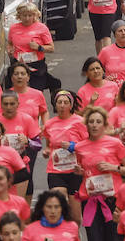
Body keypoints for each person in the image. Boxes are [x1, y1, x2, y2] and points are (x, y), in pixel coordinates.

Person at [76, 106, 125, 241]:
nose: (94, 125)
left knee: (113, 237)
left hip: (112, 199)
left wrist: (114, 168)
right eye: (91, 121)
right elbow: (83, 170)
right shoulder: (79, 147)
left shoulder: (115, 143)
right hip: (91, 200)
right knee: (94, 238)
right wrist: (79, 172)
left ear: (105, 125)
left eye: (98, 122)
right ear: (87, 124)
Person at [41, 90, 87, 221]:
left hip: (75, 171)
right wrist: (47, 151)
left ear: (71, 105)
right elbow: (49, 145)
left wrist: (73, 146)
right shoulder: (49, 124)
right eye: (59, 102)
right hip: (56, 170)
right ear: (55, 105)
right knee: (59, 201)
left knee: (76, 217)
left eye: (65, 102)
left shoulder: (80, 122)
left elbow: (87, 144)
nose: (62, 105)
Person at [0, 93, 43, 197]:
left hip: (20, 167)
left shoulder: (27, 119)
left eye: (12, 104)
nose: (9, 107)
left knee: (17, 203)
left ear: (18, 104)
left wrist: (28, 141)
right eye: (5, 104)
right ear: (1, 105)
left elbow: (38, 145)